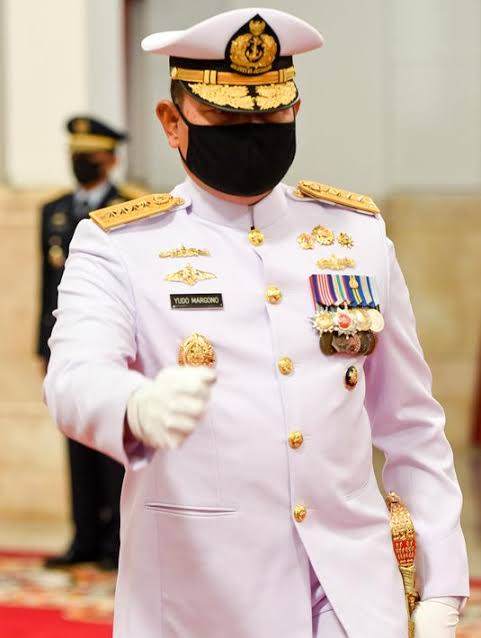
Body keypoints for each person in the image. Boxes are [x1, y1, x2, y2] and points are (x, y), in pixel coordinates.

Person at [44, 8, 469, 637]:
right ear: (172, 122)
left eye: (270, 117)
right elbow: (73, 377)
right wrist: (134, 406)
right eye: (226, 118)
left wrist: (440, 587)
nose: (251, 134)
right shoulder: (120, 245)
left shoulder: (354, 237)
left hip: (355, 595)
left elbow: (411, 425)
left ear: (295, 111)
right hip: (201, 598)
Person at [39, 116, 131, 569]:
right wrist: (44, 347)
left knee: (113, 443)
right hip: (68, 342)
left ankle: (117, 540)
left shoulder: (129, 208)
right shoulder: (53, 210)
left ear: (110, 160)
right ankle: (85, 537)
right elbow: (46, 287)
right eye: (75, 154)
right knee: (75, 441)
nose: (80, 162)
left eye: (89, 155)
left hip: (114, 344)